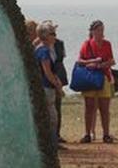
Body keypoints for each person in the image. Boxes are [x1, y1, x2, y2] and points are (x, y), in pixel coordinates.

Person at [76, 20, 115, 143]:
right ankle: (87, 133)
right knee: (89, 107)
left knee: (104, 108)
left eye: (102, 30)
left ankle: (106, 134)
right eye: (98, 30)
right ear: (92, 31)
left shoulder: (107, 44)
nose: (100, 33)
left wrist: (100, 65)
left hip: (104, 77)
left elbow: (111, 61)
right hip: (90, 78)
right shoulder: (86, 44)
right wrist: (90, 62)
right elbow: (79, 61)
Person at [35, 22, 65, 150]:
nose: (55, 36)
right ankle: (51, 145)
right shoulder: (44, 51)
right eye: (52, 34)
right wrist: (58, 86)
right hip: (46, 88)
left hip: (46, 87)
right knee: (52, 118)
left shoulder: (43, 49)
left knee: (51, 116)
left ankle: (50, 143)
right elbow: (47, 72)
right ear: (45, 36)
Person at [46, 20, 68, 143]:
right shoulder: (42, 47)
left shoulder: (59, 44)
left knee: (57, 107)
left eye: (54, 32)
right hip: (49, 79)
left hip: (58, 76)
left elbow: (60, 60)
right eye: (51, 33)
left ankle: (57, 135)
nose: (54, 35)